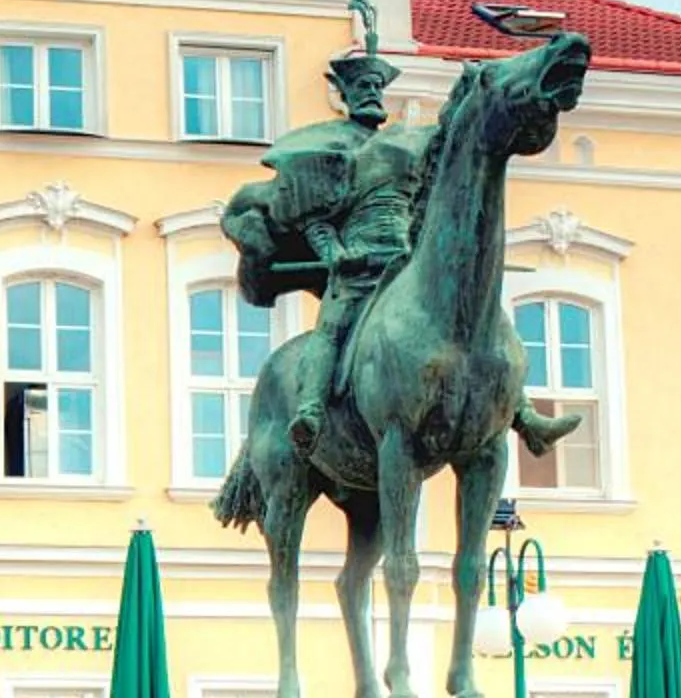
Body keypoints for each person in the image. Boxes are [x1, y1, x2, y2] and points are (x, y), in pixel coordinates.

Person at [227, 32, 577, 463]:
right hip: (358, 266)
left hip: (409, 259)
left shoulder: (409, 145)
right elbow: (309, 215)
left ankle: (523, 414)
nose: (370, 94)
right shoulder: (325, 150)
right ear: (344, 95)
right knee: (334, 326)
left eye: (376, 86)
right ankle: (311, 410)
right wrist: (335, 253)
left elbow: (444, 174)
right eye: (361, 88)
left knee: (481, 318)